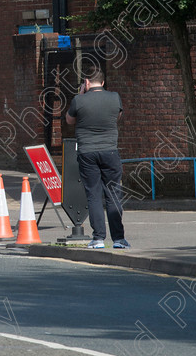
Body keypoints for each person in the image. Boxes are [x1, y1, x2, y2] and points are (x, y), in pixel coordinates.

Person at [65, 63, 130, 250]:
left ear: (86, 82)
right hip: (110, 151)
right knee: (113, 195)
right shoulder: (114, 97)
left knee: (93, 195)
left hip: (87, 152)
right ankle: (119, 239)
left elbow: (69, 121)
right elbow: (116, 118)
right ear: (102, 82)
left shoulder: (79, 100)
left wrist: (81, 97)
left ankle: (98, 238)